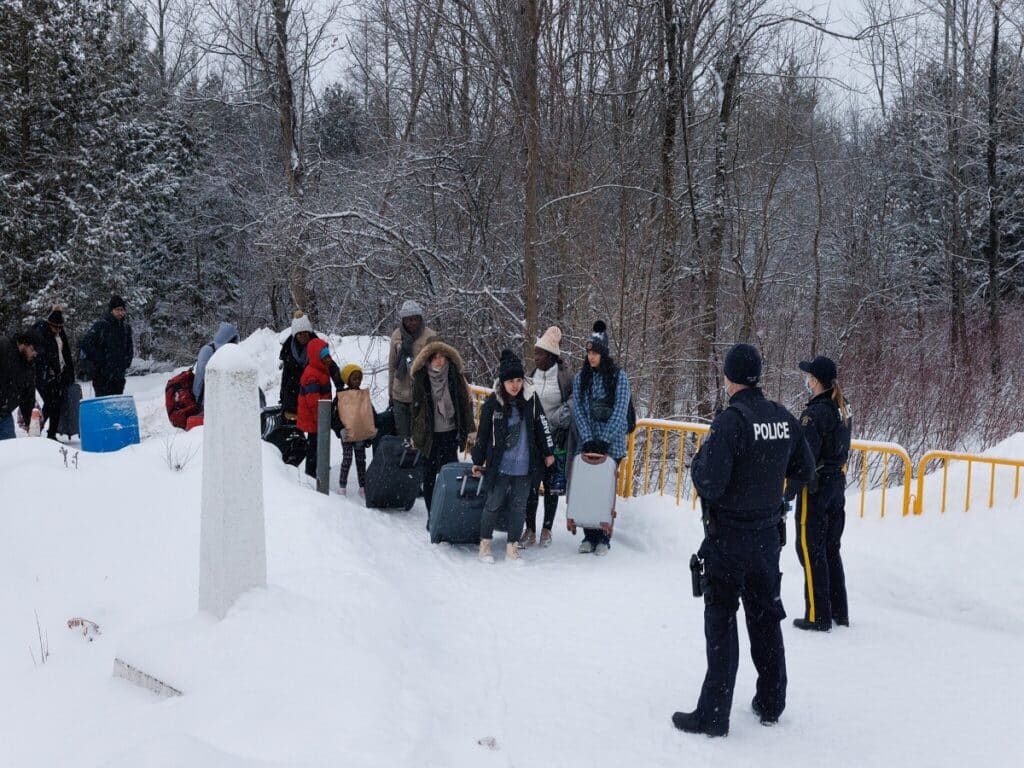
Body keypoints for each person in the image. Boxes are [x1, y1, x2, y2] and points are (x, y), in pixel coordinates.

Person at [672, 343, 814, 738]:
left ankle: (713, 714)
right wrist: (780, 497)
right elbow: (805, 468)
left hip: (729, 538)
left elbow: (711, 483)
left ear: (729, 377)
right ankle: (771, 701)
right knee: (766, 618)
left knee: (721, 621)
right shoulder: (783, 419)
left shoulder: (731, 422)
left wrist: (697, 466)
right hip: (767, 539)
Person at [470, 350, 555, 563]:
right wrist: (477, 461)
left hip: (525, 465)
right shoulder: (493, 402)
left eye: (518, 380)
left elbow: (542, 425)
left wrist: (548, 452)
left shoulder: (531, 399)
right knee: (493, 503)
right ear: (502, 382)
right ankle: (485, 544)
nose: (515, 385)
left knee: (519, 507)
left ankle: (512, 547)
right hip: (500, 465)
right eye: (510, 381)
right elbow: (483, 434)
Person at [793, 355, 853, 632]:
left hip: (816, 488)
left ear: (815, 380)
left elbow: (805, 457)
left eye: (808, 376)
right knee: (830, 548)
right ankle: (839, 610)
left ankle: (818, 614)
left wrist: (787, 489)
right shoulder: (842, 406)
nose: (806, 380)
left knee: (810, 549)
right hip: (837, 484)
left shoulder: (814, 414)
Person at [570, 321, 632, 556]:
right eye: (588, 352)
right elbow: (580, 410)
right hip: (588, 440)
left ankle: (604, 537)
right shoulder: (581, 378)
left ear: (603, 354)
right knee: (587, 487)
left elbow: (620, 410)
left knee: (605, 489)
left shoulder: (619, 378)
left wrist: (605, 439)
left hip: (611, 442)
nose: (591, 357)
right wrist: (587, 438)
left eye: (595, 352)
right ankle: (588, 534)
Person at [410, 338, 475, 519]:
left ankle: (449, 511)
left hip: (450, 432)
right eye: (435, 357)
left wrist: (470, 428)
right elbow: (415, 409)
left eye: (442, 356)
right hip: (429, 435)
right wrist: (414, 435)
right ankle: (432, 515)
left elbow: (464, 403)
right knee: (429, 476)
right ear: (428, 359)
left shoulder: (454, 374)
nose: (439, 360)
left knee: (451, 474)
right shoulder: (421, 378)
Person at [522, 326, 573, 548]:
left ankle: (547, 529)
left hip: (555, 438)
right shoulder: (531, 376)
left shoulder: (565, 377)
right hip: (533, 440)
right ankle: (530, 529)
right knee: (531, 486)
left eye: (540, 354)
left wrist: (556, 420)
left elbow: (573, 402)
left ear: (551, 356)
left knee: (551, 486)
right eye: (535, 353)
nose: (536, 358)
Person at [389, 300, 437, 438]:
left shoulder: (430, 336)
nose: (412, 323)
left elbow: (437, 367)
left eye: (415, 319)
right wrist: (390, 392)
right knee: (403, 438)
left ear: (420, 318)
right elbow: (392, 366)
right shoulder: (396, 335)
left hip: (422, 395)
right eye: (409, 320)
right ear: (403, 320)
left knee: (420, 438)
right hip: (399, 395)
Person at [32, 306, 75, 440]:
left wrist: (69, 373)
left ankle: (51, 433)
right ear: (50, 325)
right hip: (43, 376)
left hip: (59, 374)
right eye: (55, 327)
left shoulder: (61, 335)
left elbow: (66, 354)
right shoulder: (41, 334)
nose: (58, 330)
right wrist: (48, 367)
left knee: (57, 403)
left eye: (60, 328)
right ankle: (38, 428)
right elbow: (40, 355)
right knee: (51, 403)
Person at [297, 338, 336, 479]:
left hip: (320, 416)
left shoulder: (320, 370)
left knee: (318, 444)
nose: (328, 360)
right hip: (315, 418)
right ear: (316, 358)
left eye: (328, 356)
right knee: (314, 446)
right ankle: (311, 473)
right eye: (325, 357)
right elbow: (313, 402)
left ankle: (319, 466)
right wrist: (321, 420)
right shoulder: (312, 375)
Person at [81, 295, 133, 396]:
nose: (120, 313)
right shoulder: (101, 326)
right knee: (103, 405)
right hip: (102, 376)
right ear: (111, 310)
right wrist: (100, 359)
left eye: (122, 310)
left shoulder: (126, 328)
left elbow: (129, 348)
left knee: (116, 404)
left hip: (119, 376)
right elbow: (86, 344)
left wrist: (126, 362)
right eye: (118, 310)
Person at [337, 364, 372, 497]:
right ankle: (342, 486)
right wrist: (339, 428)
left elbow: (369, 414)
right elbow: (335, 415)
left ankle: (362, 486)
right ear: (348, 379)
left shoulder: (363, 396)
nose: (357, 381)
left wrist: (369, 434)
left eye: (359, 378)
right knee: (347, 459)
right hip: (346, 432)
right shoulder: (342, 396)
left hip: (360, 434)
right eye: (354, 378)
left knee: (360, 460)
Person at [0, 330, 38, 441]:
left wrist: (28, 421)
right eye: (33, 349)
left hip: (4, 415)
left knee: (10, 451)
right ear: (24, 344)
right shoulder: (3, 346)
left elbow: (28, 395)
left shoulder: (29, 363)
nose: (35, 353)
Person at [192, 322, 240, 407]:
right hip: (203, 397)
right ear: (229, 339)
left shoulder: (225, 351)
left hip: (218, 395)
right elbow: (208, 377)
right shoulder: (207, 350)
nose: (236, 344)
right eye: (235, 341)